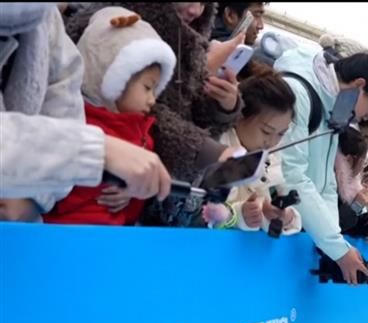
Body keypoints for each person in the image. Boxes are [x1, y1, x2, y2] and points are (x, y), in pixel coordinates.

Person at [0, 3, 170, 221]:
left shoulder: (47, 22)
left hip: (26, 233)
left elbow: (65, 108)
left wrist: (32, 200)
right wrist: (94, 151)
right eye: (147, 87)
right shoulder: (99, 128)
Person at [65, 2, 245, 183]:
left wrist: (222, 103)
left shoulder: (192, 45)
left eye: (203, 3)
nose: (196, 11)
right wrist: (203, 151)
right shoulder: (109, 28)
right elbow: (140, 111)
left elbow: (190, 109)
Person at [274, 41, 368, 284]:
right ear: (359, 85)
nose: (366, 117)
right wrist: (338, 248)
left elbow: (326, 184)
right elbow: (293, 178)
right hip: (273, 219)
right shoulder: (299, 94)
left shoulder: (335, 109)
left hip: (300, 224)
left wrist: (333, 245)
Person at [44, 7, 176, 226]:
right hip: (67, 230)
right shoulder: (82, 123)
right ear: (115, 78)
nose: (153, 100)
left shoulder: (141, 131)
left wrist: (133, 193)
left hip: (114, 234)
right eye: (147, 87)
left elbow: (135, 205)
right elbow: (59, 185)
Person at [201, 71, 301, 235]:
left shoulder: (272, 155)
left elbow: (271, 205)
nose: (273, 142)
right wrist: (238, 215)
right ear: (240, 116)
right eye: (267, 132)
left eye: (281, 134)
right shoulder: (216, 148)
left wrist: (281, 217)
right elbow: (201, 214)